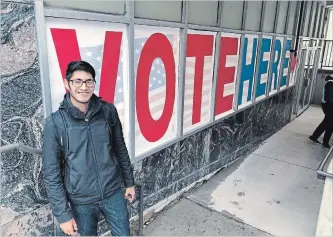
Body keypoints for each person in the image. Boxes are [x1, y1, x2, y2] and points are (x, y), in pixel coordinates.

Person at [42, 61, 135, 236]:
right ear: (66, 83)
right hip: (81, 201)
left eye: (89, 81)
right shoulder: (55, 123)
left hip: (113, 192)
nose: (84, 87)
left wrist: (129, 182)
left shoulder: (108, 111)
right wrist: (63, 215)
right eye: (77, 81)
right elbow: (51, 173)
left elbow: (120, 148)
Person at [309, 75, 333, 149]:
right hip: (328, 105)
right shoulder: (330, 83)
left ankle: (314, 137)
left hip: (328, 105)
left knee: (326, 122)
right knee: (330, 124)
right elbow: (327, 98)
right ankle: (325, 142)